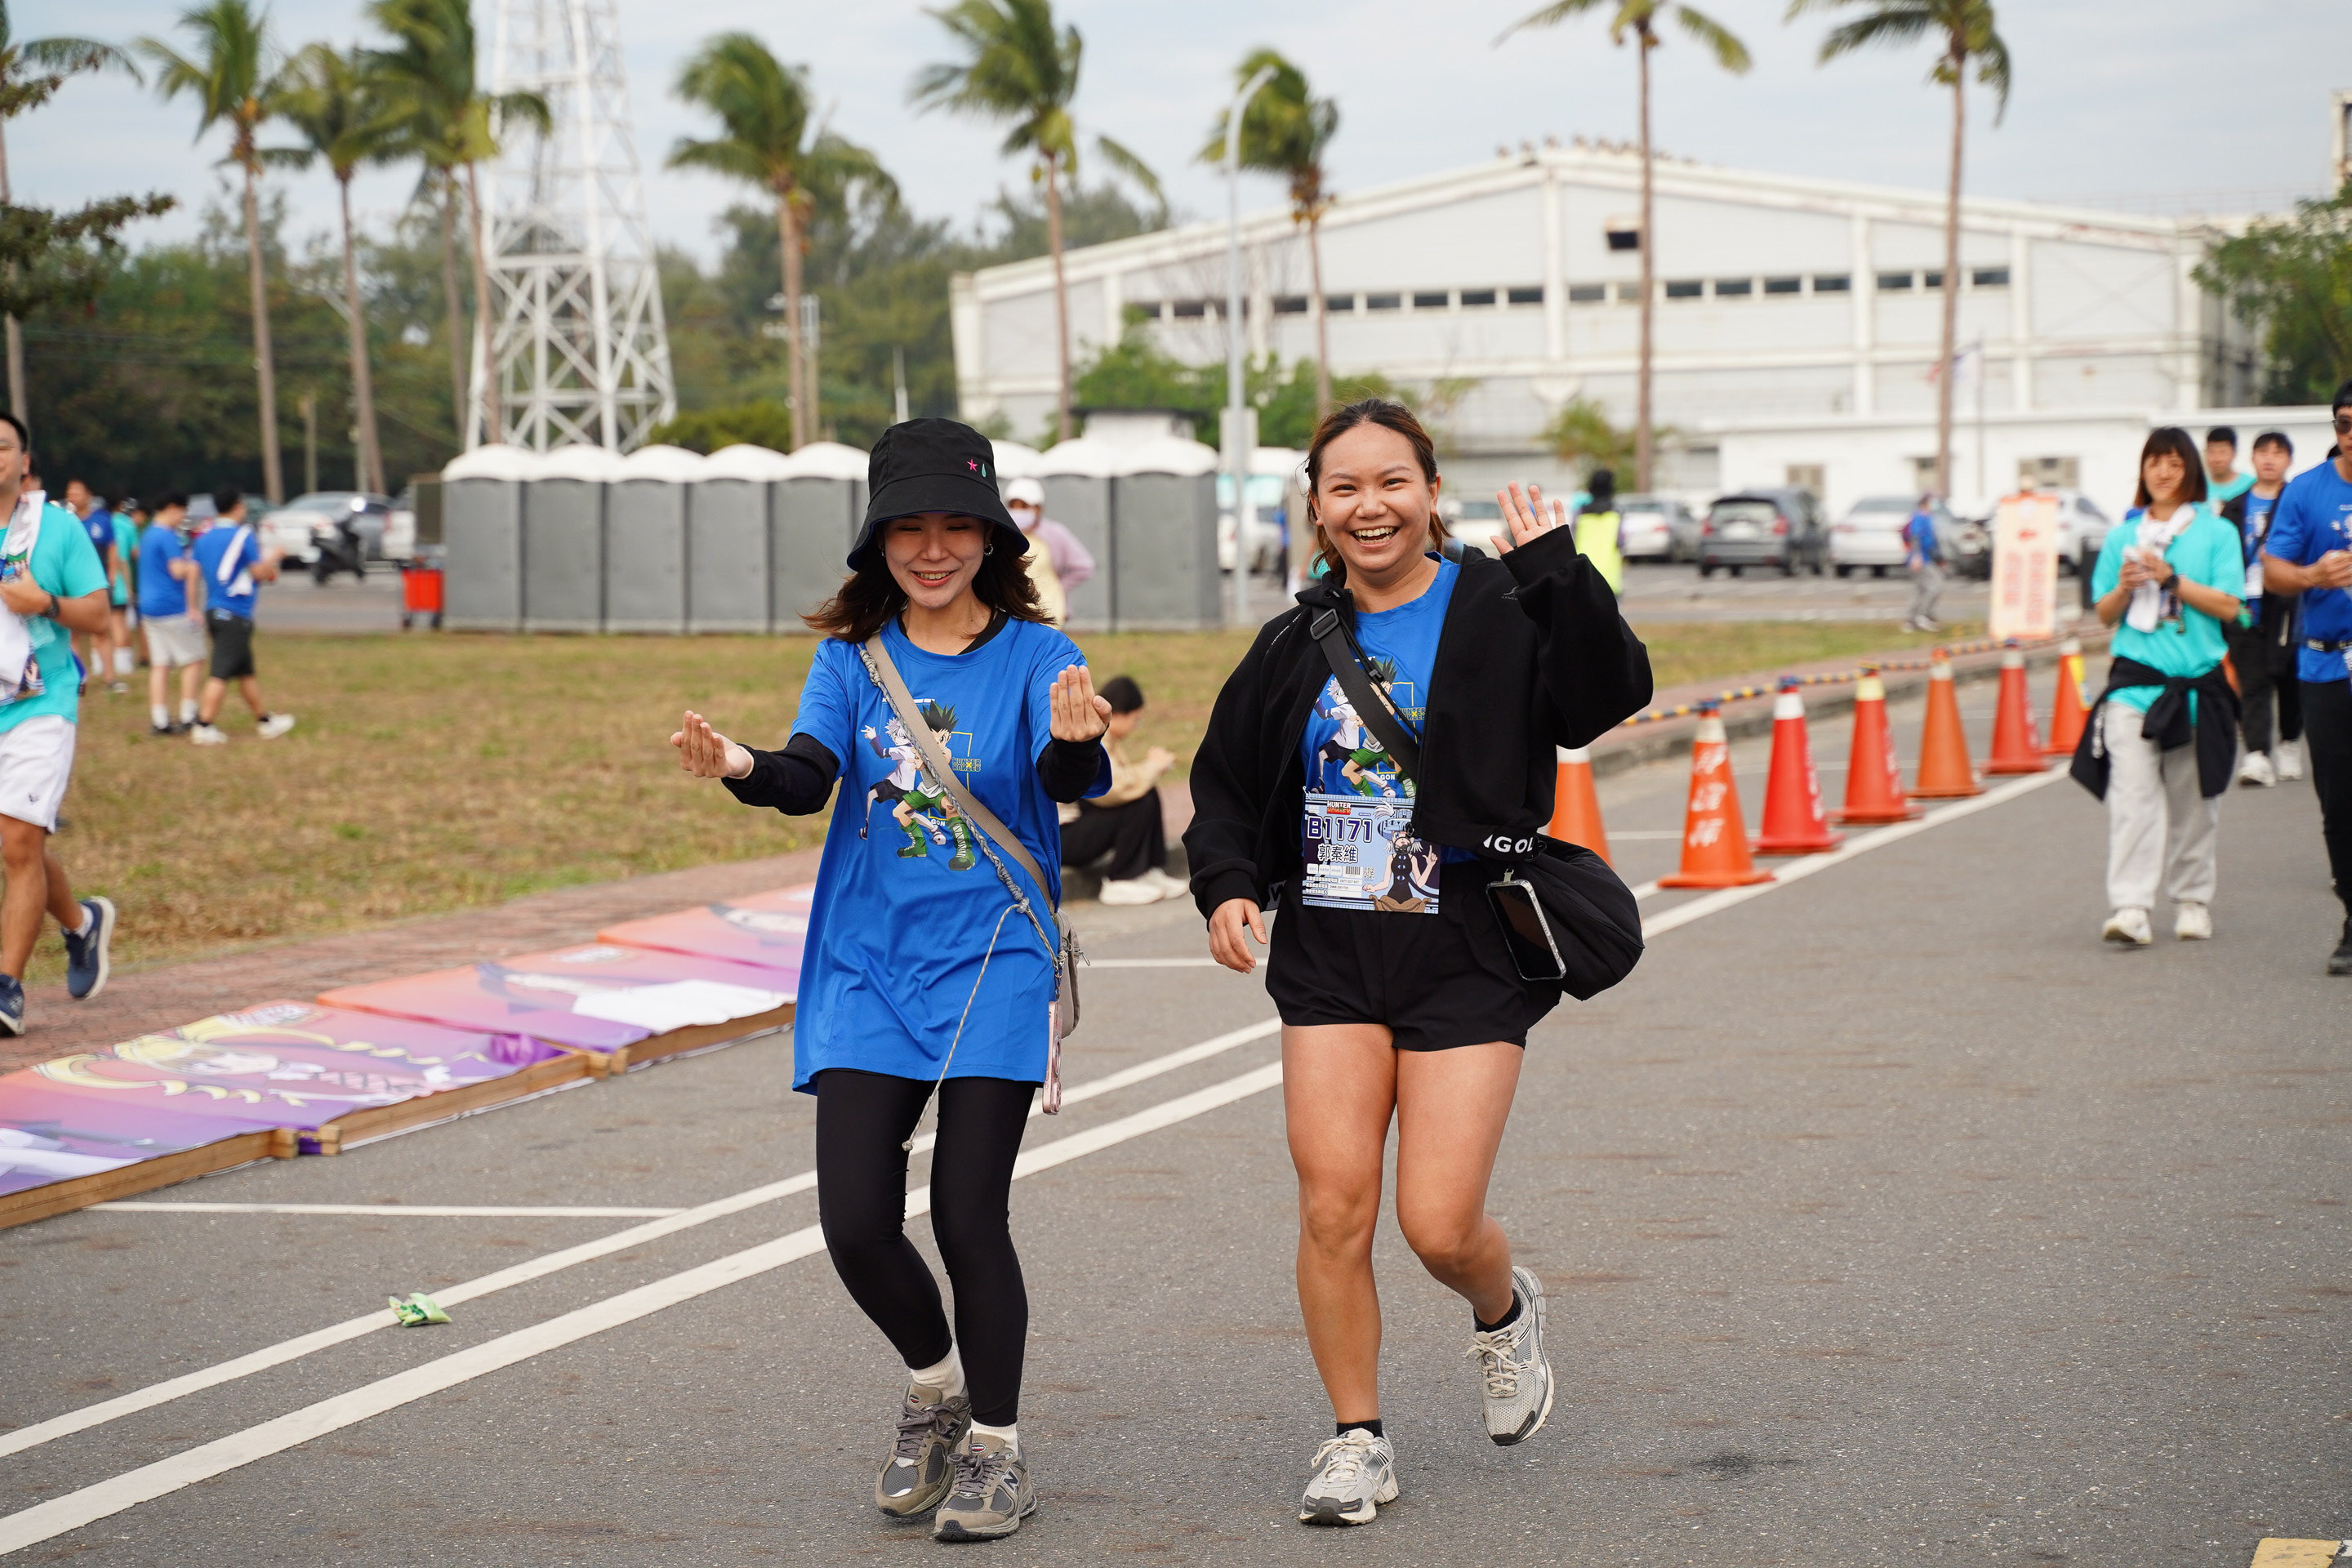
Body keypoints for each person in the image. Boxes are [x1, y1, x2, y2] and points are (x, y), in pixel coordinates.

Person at [1183, 398, 1650, 1526]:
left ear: (1432, 492)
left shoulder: (1502, 601)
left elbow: (1607, 699)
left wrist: (1561, 576)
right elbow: (1228, 780)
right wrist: (1229, 882)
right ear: (1317, 508)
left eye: (1392, 482)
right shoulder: (1295, 639)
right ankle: (1358, 1440)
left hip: (1467, 948)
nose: (1370, 506)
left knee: (1437, 1224)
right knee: (1333, 1209)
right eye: (1344, 488)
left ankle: (1504, 1310)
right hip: (1332, 952)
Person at [669, 418, 1110, 1542]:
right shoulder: (852, 661)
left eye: (956, 526)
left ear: (994, 536)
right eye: (909, 528)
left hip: (994, 958)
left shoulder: (1038, 654)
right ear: (877, 541)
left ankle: (999, 1449)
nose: (933, 548)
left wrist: (1074, 739)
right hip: (869, 966)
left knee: (967, 1213)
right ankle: (935, 1386)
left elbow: (1070, 774)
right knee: (856, 1223)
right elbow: (807, 776)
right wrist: (738, 764)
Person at [2072, 426, 2243, 948]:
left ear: (2190, 470)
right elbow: (2103, 614)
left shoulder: (2216, 533)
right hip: (2134, 686)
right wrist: (2125, 589)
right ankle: (2131, 907)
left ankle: (2192, 900)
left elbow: (2230, 606)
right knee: (2133, 798)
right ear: (2142, 472)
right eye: (2154, 463)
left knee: (2194, 802)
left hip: (2196, 688)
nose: (2163, 472)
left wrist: (2171, 579)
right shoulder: (2122, 537)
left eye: (2174, 463)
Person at [0, 415, 118, 1034]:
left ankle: (6, 988)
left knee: (18, 843)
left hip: (41, 702)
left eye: (2, 446)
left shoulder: (57, 528)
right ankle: (81, 923)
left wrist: (42, 602)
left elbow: (98, 616)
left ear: (24, 462)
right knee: (16, 842)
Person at [2258, 380, 2352, 975]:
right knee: (2339, 800)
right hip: (2326, 661)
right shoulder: (2305, 491)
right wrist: (2313, 575)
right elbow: (2273, 572)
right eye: (2344, 423)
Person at [1060, 674, 1182, 905]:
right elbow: (1112, 790)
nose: (1135, 727)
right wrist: (1152, 766)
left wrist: (1150, 770)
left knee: (1146, 794)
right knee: (1137, 804)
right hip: (1063, 838)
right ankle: (1122, 879)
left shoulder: (1103, 736)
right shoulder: (1093, 736)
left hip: (1078, 829)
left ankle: (1148, 870)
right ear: (1118, 714)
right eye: (1136, 720)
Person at [188, 488, 294, 745]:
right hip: (234, 614)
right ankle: (204, 725)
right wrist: (275, 557)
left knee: (245, 672)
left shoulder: (203, 537)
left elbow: (193, 573)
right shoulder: (243, 535)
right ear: (237, 507)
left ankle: (264, 721)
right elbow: (258, 572)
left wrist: (192, 606)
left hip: (214, 610)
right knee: (220, 673)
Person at [2230, 433, 2298, 786]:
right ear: (2252, 458)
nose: (2270, 459)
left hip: (2286, 605)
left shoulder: (2297, 500)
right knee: (2252, 680)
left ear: (2289, 460)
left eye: (2278, 453)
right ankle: (2257, 754)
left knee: (2288, 678)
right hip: (2246, 606)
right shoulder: (2234, 506)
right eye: (2263, 452)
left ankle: (2290, 741)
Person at [137, 493, 205, 736]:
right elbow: (177, 571)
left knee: (160, 665)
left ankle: (160, 720)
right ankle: (188, 715)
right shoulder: (167, 536)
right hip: (172, 607)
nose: (183, 518)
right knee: (193, 660)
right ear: (172, 508)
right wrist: (192, 565)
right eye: (182, 512)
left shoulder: (148, 534)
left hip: (149, 608)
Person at [1001, 477, 1093, 626]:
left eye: (1024, 506)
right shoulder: (1003, 533)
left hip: (1049, 608)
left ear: (1038, 508)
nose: (1018, 511)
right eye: (1013, 505)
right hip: (1012, 607)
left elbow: (1084, 566)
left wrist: (1058, 588)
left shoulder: (1055, 533)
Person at [60, 479, 122, 694]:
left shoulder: (102, 520)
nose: (73, 496)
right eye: (70, 492)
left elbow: (112, 549)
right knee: (72, 634)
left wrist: (112, 576)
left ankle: (110, 679)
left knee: (101, 630)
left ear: (89, 495)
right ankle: (77, 678)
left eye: (77, 491)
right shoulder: (65, 521)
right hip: (70, 586)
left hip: (96, 585)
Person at [1571, 467, 1624, 594]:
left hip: (1584, 576)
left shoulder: (1581, 513)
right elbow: (1621, 542)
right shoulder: (1616, 513)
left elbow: (1571, 538)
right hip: (1609, 578)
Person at [108, 492, 140, 685]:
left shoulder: (104, 523)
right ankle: (123, 664)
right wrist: (129, 587)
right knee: (120, 623)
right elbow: (133, 554)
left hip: (103, 581)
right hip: (120, 582)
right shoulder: (127, 524)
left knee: (108, 625)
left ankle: (102, 665)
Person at [1903, 494, 1944, 631]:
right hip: (1921, 559)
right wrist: (1916, 556)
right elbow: (1915, 537)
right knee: (1936, 586)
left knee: (1920, 590)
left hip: (1928, 557)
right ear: (1925, 504)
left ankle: (1911, 620)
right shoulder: (1919, 518)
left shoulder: (1928, 518)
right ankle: (1924, 615)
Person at [2206, 425, 2256, 514]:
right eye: (2211, 452)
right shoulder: (2197, 486)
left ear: (2234, 453)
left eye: (2223, 452)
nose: (2217, 459)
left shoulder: (2251, 485)